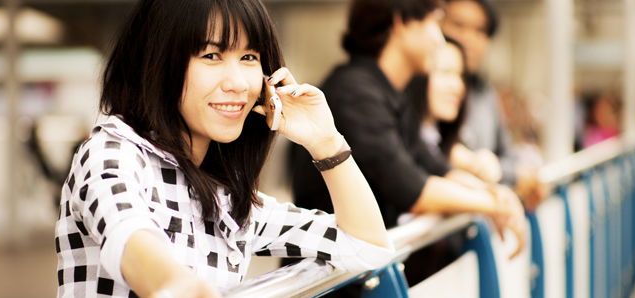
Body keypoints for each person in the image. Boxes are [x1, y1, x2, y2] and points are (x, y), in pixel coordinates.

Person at [54, 0, 394, 297]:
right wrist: (175, 285)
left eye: (248, 56)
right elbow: (127, 233)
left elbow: (369, 250)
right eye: (211, 55)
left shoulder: (227, 197)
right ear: (157, 63)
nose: (237, 83)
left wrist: (325, 142)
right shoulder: (111, 154)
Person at [290, 0, 525, 259]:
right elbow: (411, 188)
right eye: (434, 23)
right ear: (402, 22)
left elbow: (434, 165)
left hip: (360, 270)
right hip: (332, 279)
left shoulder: (389, 92)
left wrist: (494, 194)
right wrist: (494, 204)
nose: (439, 40)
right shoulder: (356, 92)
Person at [442, 0, 546, 209]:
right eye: (459, 25)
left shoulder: (486, 94)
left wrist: (518, 171)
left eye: (480, 30)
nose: (468, 38)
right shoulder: (423, 90)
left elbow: (506, 154)